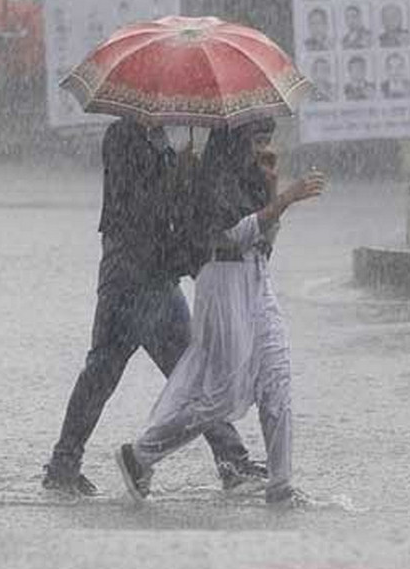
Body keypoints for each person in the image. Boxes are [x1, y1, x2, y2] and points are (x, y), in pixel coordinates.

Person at [42, 118, 264, 497]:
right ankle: (231, 460)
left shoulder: (158, 138)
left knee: (104, 372)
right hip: (133, 276)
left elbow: (170, 210)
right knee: (189, 372)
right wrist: (178, 173)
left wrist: (187, 177)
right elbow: (136, 206)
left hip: (151, 275)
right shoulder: (123, 136)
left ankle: (64, 463)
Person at [115, 119, 326, 506]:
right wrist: (283, 201)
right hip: (222, 281)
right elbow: (227, 237)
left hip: (257, 280)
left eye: (267, 140)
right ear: (235, 143)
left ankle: (281, 486)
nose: (263, 149)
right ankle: (142, 454)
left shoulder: (253, 178)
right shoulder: (211, 181)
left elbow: (264, 242)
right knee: (222, 393)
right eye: (256, 141)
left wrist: (272, 188)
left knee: (276, 380)